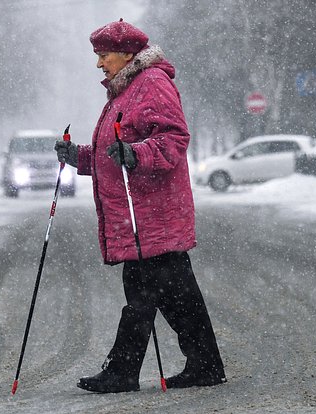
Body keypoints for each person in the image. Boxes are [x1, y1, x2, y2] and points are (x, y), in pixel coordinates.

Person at [55, 19, 226, 393]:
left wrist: (137, 154)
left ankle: (124, 370)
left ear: (127, 54)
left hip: (154, 213)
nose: (99, 64)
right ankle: (204, 364)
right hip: (144, 216)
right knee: (175, 295)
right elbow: (114, 154)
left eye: (103, 56)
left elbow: (174, 137)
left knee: (144, 293)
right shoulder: (126, 89)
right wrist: (78, 157)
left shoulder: (151, 83)